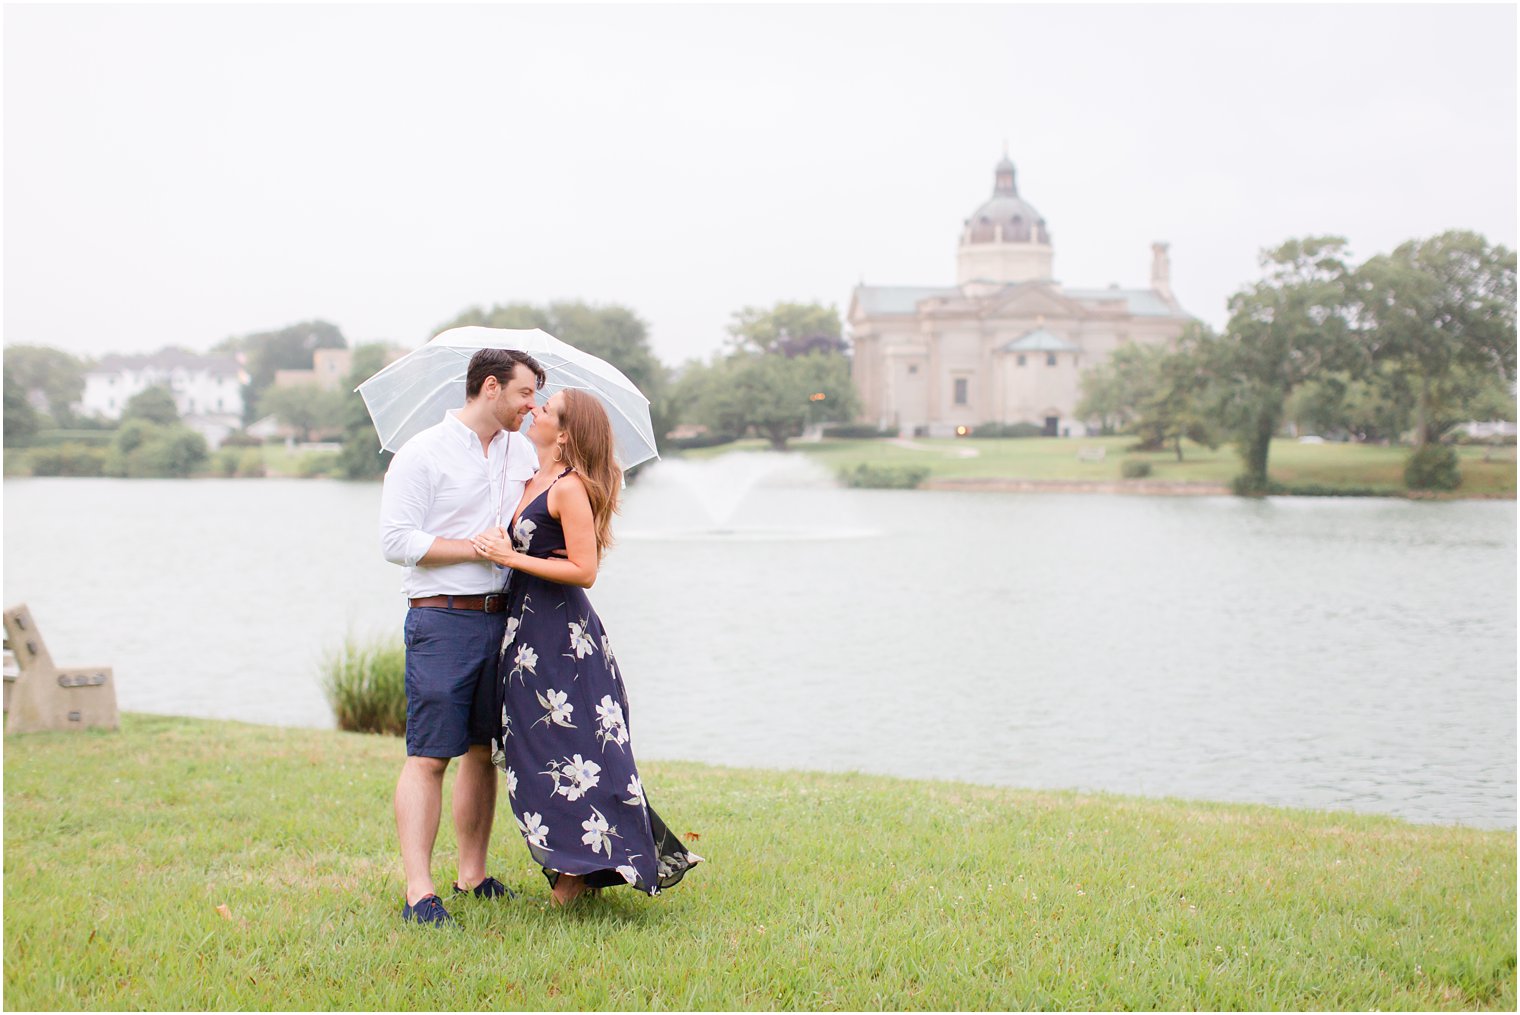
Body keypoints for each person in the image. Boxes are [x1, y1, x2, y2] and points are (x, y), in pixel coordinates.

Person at [473, 389, 701, 905]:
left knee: (568, 749)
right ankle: (580, 868)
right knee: (535, 751)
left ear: (567, 433)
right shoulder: (534, 477)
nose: (535, 411)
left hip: (561, 637)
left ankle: (579, 875)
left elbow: (584, 570)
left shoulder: (570, 487)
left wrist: (512, 558)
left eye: (546, 410)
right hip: (525, 633)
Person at [378, 348, 545, 926]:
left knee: (483, 751)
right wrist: (478, 547)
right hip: (442, 617)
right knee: (429, 756)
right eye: (526, 393)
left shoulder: (522, 451)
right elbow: (397, 541)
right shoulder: (422, 453)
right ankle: (419, 891)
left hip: (506, 616)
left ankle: (472, 874)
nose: (533, 405)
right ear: (492, 387)